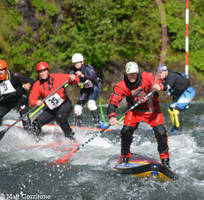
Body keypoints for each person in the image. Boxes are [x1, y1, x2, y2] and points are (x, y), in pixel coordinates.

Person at [107, 61, 171, 168]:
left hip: (152, 110)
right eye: (129, 74)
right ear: (126, 74)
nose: (132, 76)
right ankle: (125, 157)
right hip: (134, 111)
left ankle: (165, 162)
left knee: (161, 132)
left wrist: (159, 86)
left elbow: (164, 83)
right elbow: (113, 102)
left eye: (134, 74)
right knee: (126, 131)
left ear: (137, 73)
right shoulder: (121, 86)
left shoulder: (147, 77)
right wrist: (112, 116)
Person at [29, 61, 79, 140]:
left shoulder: (57, 77)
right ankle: (37, 140)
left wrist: (74, 77)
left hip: (64, 104)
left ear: (48, 71)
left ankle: (71, 138)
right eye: (40, 72)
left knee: (60, 116)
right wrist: (36, 102)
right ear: (38, 73)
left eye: (44, 71)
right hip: (51, 109)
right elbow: (32, 99)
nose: (43, 73)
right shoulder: (37, 84)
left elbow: (75, 79)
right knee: (35, 123)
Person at [153, 64, 196, 133]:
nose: (159, 74)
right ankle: (174, 128)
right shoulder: (164, 77)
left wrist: (160, 87)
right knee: (171, 109)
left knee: (176, 111)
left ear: (166, 71)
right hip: (181, 94)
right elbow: (162, 84)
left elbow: (167, 86)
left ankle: (178, 130)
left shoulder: (171, 76)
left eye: (161, 72)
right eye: (158, 73)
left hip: (188, 92)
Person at [70, 53, 103, 127]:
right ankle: (77, 127)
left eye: (78, 62)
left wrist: (82, 75)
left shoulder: (87, 67)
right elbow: (69, 77)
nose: (76, 64)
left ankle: (98, 124)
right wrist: (71, 78)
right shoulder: (73, 70)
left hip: (94, 87)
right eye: (75, 63)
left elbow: (93, 77)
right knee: (77, 108)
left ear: (82, 62)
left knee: (91, 104)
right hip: (85, 89)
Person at [0, 59, 34, 130]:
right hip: (8, 100)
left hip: (20, 98)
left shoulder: (14, 76)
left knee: (24, 116)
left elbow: (31, 80)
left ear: (6, 70)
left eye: (2, 70)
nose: (0, 72)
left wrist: (28, 84)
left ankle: (31, 135)